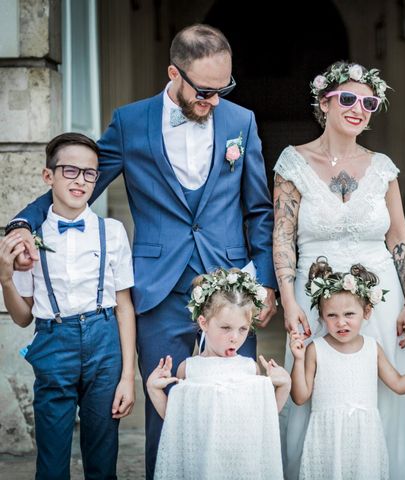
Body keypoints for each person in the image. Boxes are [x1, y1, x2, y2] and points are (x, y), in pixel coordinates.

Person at [6, 24, 277, 477]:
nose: (214, 101)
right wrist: (21, 223)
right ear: (174, 72)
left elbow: (259, 209)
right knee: (162, 402)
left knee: (234, 400)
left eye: (223, 89)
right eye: (205, 91)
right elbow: (78, 188)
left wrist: (263, 279)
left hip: (231, 291)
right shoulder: (131, 122)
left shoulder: (240, 122)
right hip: (157, 286)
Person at [273, 61, 405, 479]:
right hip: (313, 297)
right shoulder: (293, 163)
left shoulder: (383, 167)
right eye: (347, 98)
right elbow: (283, 237)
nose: (359, 107)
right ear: (324, 103)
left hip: (380, 301)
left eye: (369, 102)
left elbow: (399, 236)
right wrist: (290, 303)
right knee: (319, 392)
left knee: (386, 397)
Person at [0, 133, 136, 479]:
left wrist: (127, 378)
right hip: (53, 342)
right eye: (70, 171)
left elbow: (124, 306)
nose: (81, 180)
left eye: (89, 173)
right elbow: (22, 316)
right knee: (51, 463)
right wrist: (4, 279)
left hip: (104, 345)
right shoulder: (31, 237)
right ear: (49, 177)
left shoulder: (112, 231)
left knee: (102, 461)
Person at [288, 257, 405, 480]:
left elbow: (398, 384)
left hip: (365, 439)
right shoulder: (315, 350)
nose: (341, 322)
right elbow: (300, 397)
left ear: (366, 312)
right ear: (321, 315)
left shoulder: (371, 348)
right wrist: (298, 360)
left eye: (349, 314)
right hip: (327, 438)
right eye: (332, 315)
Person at [147, 268, 290, 480]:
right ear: (204, 323)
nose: (235, 337)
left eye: (243, 329)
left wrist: (283, 385)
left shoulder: (249, 368)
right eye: (226, 328)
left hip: (241, 464)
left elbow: (264, 417)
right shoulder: (189, 368)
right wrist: (153, 388)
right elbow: (177, 420)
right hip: (204, 464)